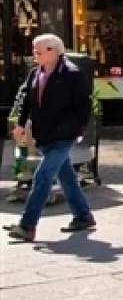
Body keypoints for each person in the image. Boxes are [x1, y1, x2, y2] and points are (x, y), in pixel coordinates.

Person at [5, 36, 96, 243]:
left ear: (53, 51)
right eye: (34, 51)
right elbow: (27, 101)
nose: (34, 55)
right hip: (44, 134)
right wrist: (20, 124)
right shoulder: (35, 73)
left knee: (42, 177)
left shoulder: (72, 74)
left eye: (38, 52)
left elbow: (84, 104)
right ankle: (83, 216)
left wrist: (78, 128)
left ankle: (27, 225)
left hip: (65, 134)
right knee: (67, 177)